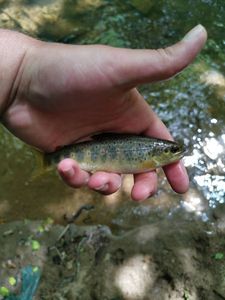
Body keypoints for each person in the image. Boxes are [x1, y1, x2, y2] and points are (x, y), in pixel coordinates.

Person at [0, 25, 207, 201]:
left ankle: (48, 160)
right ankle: (47, 160)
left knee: (98, 179)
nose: (175, 152)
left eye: (172, 150)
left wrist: (21, 70)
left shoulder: (151, 154)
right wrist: (21, 71)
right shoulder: (149, 158)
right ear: (158, 154)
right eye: (171, 151)